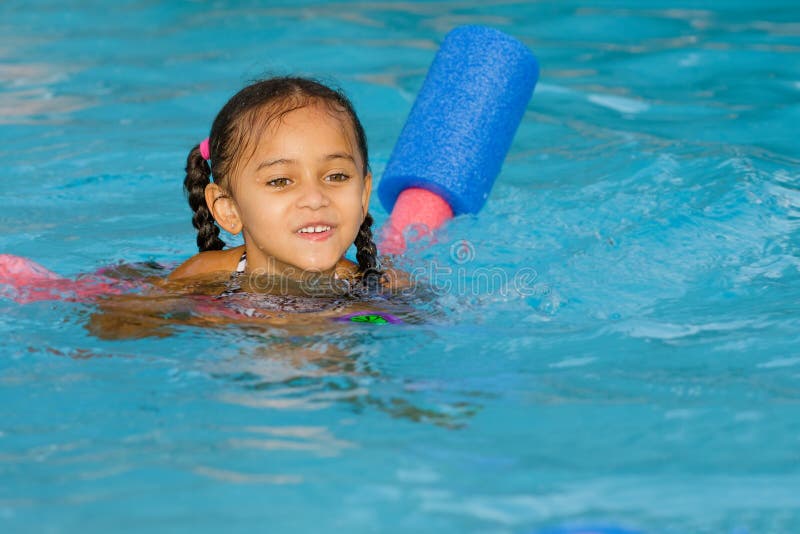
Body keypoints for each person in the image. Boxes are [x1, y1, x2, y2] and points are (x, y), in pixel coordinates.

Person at [169, 76, 383, 290]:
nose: (315, 198)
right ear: (229, 209)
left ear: (363, 195)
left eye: (336, 176)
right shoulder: (197, 280)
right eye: (280, 181)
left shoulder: (379, 293)